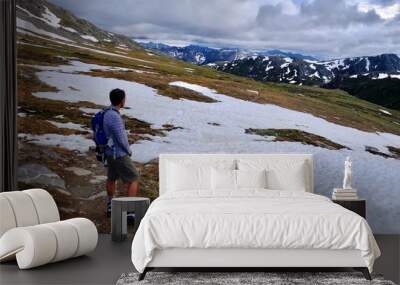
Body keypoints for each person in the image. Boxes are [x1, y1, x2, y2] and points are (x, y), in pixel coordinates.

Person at [103, 88, 139, 215]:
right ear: (121, 101)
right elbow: (121, 138)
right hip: (118, 154)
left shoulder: (106, 112)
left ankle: (110, 206)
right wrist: (128, 150)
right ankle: (130, 212)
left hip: (108, 152)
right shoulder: (115, 116)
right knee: (134, 178)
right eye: (124, 98)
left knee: (111, 178)